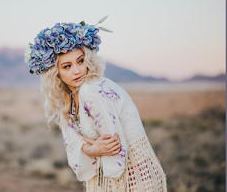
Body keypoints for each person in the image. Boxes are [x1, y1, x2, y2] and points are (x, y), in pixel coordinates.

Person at [24, 16, 167, 191]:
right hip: (106, 181)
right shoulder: (67, 98)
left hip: (135, 179)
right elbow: (72, 141)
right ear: (56, 73)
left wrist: (89, 145)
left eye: (81, 61)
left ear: (88, 60)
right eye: (67, 66)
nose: (77, 71)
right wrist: (91, 149)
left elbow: (112, 147)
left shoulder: (91, 90)